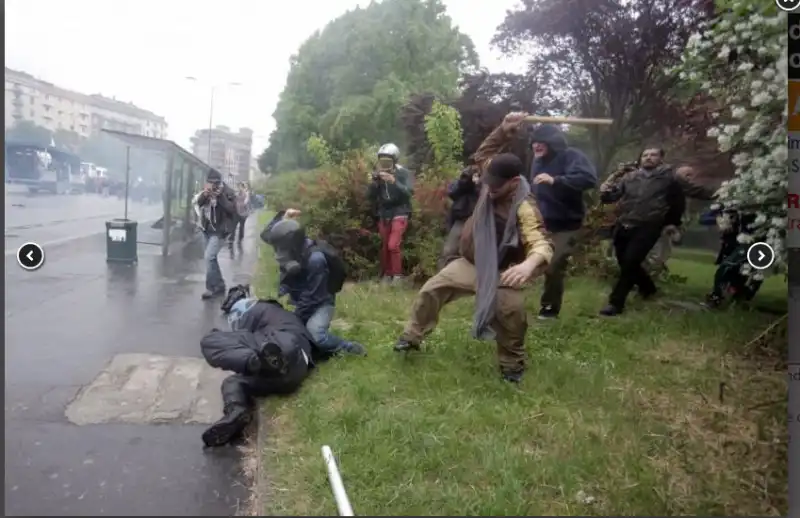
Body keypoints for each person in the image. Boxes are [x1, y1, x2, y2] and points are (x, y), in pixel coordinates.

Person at [394, 117, 554, 383]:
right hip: (469, 263)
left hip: (502, 271)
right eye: (487, 183)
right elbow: (484, 153)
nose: (489, 189)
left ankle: (512, 364)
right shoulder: (493, 176)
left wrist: (528, 265)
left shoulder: (524, 205)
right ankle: (411, 337)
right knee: (431, 290)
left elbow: (541, 243)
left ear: (514, 182)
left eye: (497, 186)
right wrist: (503, 129)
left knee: (511, 314)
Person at [598, 148, 714, 316]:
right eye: (645, 155)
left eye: (653, 155)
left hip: (649, 225)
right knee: (625, 262)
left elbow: (691, 194)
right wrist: (605, 191)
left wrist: (721, 193)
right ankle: (648, 288)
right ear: (640, 159)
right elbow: (610, 197)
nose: (648, 158)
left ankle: (615, 303)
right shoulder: (630, 178)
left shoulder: (670, 178)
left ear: (661, 159)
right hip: (624, 224)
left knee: (631, 262)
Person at [200, 295, 316, 447]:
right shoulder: (281, 321)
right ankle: (236, 411)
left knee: (210, 341)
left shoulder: (266, 312)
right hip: (292, 376)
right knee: (233, 382)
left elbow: (238, 333)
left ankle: (258, 362)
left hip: (285, 348)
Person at [261, 209, 367, 356]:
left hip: (321, 302)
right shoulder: (292, 246)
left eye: (281, 249)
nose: (278, 253)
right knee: (291, 332)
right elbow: (266, 236)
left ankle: (348, 347)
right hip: (301, 298)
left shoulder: (315, 260)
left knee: (316, 335)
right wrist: (282, 218)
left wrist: (294, 319)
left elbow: (313, 297)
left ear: (291, 245)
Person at [528, 124, 597, 319]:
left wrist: (556, 180)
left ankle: (549, 308)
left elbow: (588, 178)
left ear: (553, 143)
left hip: (567, 223)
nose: (536, 147)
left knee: (554, 264)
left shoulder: (571, 155)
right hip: (542, 221)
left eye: (541, 143)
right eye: (534, 143)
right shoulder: (537, 162)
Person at [367, 143, 414, 284]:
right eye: (382, 161)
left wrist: (394, 181)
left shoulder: (403, 173)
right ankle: (387, 275)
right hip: (384, 213)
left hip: (400, 210)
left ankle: (398, 276)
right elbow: (369, 197)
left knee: (393, 245)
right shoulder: (378, 174)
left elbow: (409, 193)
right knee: (385, 245)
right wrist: (374, 183)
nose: (385, 164)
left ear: (395, 160)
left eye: (388, 161)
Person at [699, 207, 763, 307]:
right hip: (731, 247)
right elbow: (703, 219)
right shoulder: (729, 207)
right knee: (725, 271)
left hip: (749, 246)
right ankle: (719, 297)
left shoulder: (755, 213)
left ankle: (736, 298)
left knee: (741, 275)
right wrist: (721, 219)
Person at [196, 169, 238, 299]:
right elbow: (199, 203)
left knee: (209, 257)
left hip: (220, 231)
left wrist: (220, 197)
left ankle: (210, 288)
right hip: (207, 229)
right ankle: (219, 284)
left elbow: (232, 209)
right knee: (212, 259)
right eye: (210, 182)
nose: (213, 185)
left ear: (219, 182)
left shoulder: (228, 192)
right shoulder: (207, 191)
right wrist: (205, 194)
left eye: (215, 182)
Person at [439, 165, 480, 270]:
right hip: (461, 220)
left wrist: (479, 183)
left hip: (479, 221)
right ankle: (443, 278)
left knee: (473, 254)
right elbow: (452, 193)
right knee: (449, 251)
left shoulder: (488, 178)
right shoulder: (464, 179)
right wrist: (468, 180)